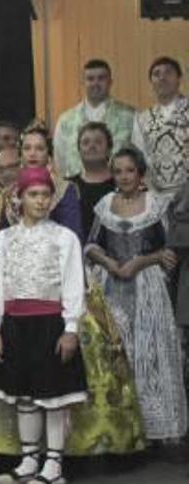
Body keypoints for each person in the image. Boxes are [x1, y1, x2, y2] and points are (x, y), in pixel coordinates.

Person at [0, 166, 88, 484]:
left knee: (52, 395)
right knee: (25, 395)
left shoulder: (64, 237)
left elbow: (73, 283)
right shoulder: (4, 239)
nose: (41, 201)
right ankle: (30, 458)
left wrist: (70, 328)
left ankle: (54, 465)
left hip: (50, 324)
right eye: (34, 195)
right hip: (15, 325)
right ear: (19, 198)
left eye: (46, 195)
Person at [85, 148, 187, 444]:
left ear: (140, 173)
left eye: (130, 170)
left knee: (149, 353)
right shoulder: (105, 204)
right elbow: (91, 244)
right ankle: (120, 433)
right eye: (118, 171)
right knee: (116, 354)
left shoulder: (157, 204)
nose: (124, 176)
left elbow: (170, 250)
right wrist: (109, 263)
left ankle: (157, 431)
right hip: (111, 288)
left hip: (148, 289)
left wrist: (141, 261)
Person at [53, 59, 137, 179]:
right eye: (90, 79)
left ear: (110, 82)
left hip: (118, 190)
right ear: (83, 82)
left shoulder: (130, 117)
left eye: (101, 78)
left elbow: (139, 157)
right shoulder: (66, 120)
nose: (95, 83)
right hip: (77, 191)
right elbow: (60, 162)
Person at [11, 126, 84, 240]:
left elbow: (73, 235)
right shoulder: (11, 192)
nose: (32, 153)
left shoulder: (65, 189)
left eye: (39, 148)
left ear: (48, 154)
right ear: (20, 155)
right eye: (27, 148)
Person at [132, 56, 189, 194]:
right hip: (157, 197)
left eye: (168, 72)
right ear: (151, 82)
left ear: (179, 79)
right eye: (156, 74)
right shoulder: (141, 119)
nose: (162, 78)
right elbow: (140, 159)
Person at [68, 122, 117, 235]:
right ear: (79, 150)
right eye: (85, 142)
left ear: (109, 149)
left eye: (98, 142)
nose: (92, 146)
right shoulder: (68, 186)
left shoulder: (122, 184)